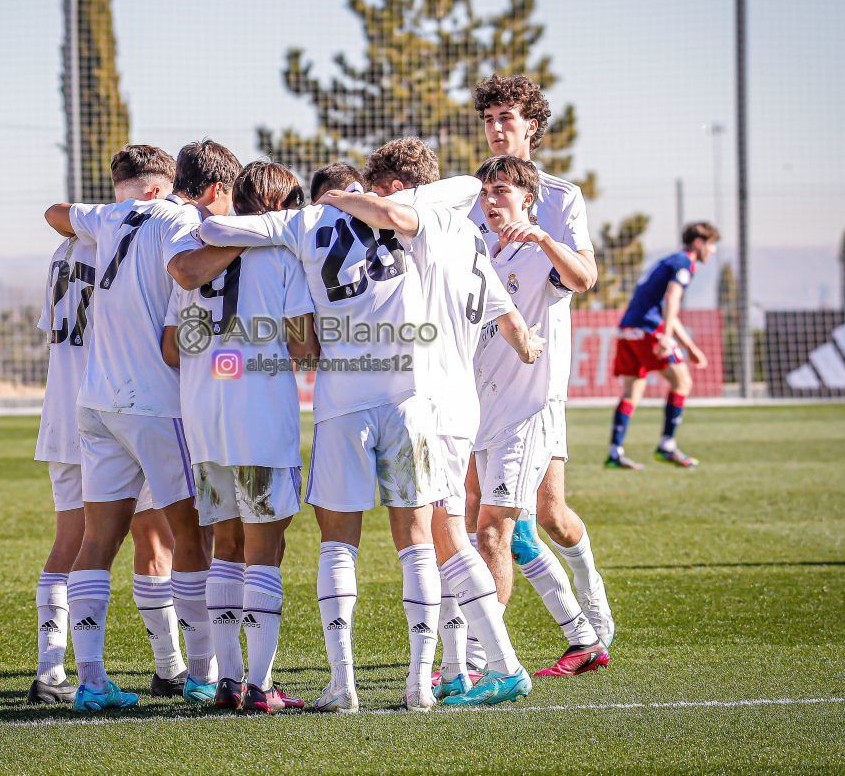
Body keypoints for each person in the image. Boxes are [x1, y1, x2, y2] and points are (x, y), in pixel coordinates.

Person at [197, 157, 476, 713]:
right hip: (408, 401)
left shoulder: (299, 222)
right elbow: (469, 186)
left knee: (338, 544)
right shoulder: (401, 208)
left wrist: (310, 214)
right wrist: (361, 203)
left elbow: (217, 229)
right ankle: (420, 683)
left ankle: (342, 683)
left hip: (341, 405)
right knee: (416, 541)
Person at [319, 137, 546, 707]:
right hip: (459, 401)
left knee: (444, 538)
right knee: (447, 534)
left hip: (433, 401)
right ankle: (457, 669)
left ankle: (502, 664)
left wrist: (339, 199)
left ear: (397, 189)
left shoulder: (424, 225)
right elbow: (510, 319)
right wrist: (527, 345)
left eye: (378, 192)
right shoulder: (469, 234)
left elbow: (394, 216)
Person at [42, 143, 241, 713]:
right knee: (190, 537)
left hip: (96, 402)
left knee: (97, 541)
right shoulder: (177, 219)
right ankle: (200, 674)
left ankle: (91, 680)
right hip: (155, 404)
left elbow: (56, 212)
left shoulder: (108, 216)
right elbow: (184, 276)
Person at [465, 74, 617, 661]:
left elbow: (583, 275)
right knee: (495, 518)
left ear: (532, 125)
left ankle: (588, 600)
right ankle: (573, 635)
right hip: (481, 383)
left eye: (506, 117)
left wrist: (541, 240)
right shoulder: (473, 195)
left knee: (546, 516)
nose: (496, 128)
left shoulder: (560, 196)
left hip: (537, 384)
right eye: (488, 118)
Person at [162, 160, 319, 713]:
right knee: (265, 550)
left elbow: (172, 349)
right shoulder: (281, 257)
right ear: (278, 207)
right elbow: (304, 347)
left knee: (225, 548)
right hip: (261, 421)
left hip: (206, 422)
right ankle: (260, 685)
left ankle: (227, 680)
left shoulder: (198, 258)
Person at [28, 224, 183, 704]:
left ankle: (50, 669)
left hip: (62, 413)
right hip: (115, 405)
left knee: (70, 542)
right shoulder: (125, 244)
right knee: (153, 537)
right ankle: (170, 668)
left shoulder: (64, 249)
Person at [607, 222, 719, 470]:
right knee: (682, 382)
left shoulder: (668, 261)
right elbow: (672, 299)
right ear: (699, 243)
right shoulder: (684, 264)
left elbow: (667, 309)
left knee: (632, 390)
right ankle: (667, 445)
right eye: (712, 245)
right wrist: (666, 337)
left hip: (628, 329)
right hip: (649, 329)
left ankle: (615, 451)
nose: (713, 251)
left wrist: (690, 347)